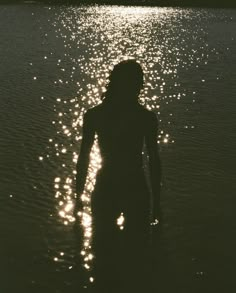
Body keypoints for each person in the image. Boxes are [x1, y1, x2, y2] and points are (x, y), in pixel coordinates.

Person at [74, 59, 162, 292]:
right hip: (130, 187)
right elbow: (154, 162)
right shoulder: (144, 117)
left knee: (107, 253)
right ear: (133, 85)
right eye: (137, 82)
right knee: (131, 256)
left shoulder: (96, 115)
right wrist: (157, 201)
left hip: (112, 186)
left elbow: (84, 158)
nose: (140, 86)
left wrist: (78, 196)